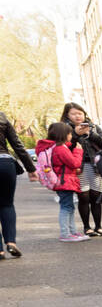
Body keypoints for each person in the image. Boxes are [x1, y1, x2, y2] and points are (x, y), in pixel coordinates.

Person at [62, 102, 102, 236]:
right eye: (73, 114)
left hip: (95, 166)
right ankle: (87, 227)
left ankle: (98, 226)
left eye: (80, 113)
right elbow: (62, 148)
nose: (77, 116)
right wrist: (75, 134)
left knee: (96, 196)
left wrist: (90, 133)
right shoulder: (65, 129)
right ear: (67, 115)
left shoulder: (93, 127)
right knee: (84, 197)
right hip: (78, 168)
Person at [35, 122, 86, 242]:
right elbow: (74, 163)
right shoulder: (60, 149)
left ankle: (72, 232)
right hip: (64, 182)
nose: (71, 135)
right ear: (63, 134)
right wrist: (78, 151)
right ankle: (65, 233)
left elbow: (66, 165)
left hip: (65, 181)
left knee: (69, 207)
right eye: (69, 133)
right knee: (66, 207)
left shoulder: (59, 148)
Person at [0, 110, 38, 260]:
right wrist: (31, 169)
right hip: (5, 163)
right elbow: (17, 144)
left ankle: (0, 251)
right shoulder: (2, 117)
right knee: (7, 204)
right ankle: (11, 242)